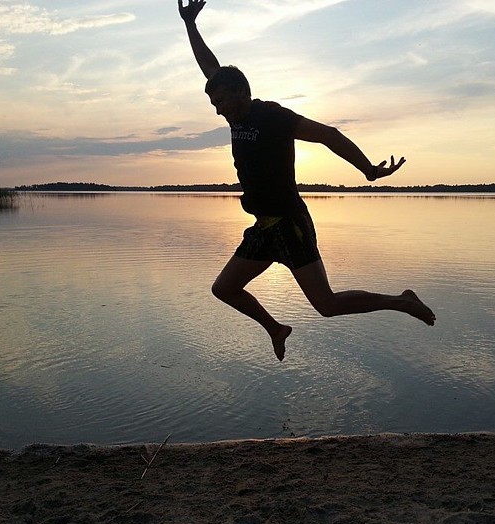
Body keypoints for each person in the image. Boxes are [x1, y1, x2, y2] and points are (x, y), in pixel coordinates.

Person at [178, 0, 436, 361]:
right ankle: (276, 328)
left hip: (290, 223)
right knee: (225, 288)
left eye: (221, 100)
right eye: (213, 103)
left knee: (326, 305)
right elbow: (211, 69)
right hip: (264, 228)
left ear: (241, 92)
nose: (218, 109)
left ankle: (401, 301)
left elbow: (328, 134)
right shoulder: (236, 118)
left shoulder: (272, 116)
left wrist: (367, 170)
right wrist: (190, 24)